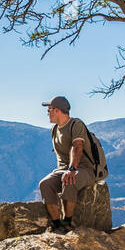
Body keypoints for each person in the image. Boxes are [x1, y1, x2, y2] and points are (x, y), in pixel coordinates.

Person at [38, 95, 95, 234]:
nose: (48, 113)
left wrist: (72, 169)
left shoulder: (76, 125)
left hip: (85, 169)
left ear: (56, 110)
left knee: (69, 180)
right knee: (45, 184)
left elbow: (77, 147)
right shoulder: (54, 130)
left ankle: (67, 221)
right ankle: (57, 224)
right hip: (63, 169)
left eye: (49, 110)